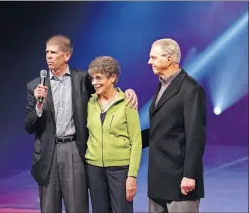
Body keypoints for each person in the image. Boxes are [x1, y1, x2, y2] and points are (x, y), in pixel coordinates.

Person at [24, 35, 138, 213]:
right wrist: (39, 104)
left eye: (53, 52)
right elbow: (28, 126)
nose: (48, 56)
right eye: (46, 52)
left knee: (77, 207)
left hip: (74, 150)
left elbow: (107, 87)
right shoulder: (35, 86)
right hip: (47, 153)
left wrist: (129, 91)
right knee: (48, 208)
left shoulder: (83, 79)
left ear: (67, 56)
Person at [147, 38, 206, 213]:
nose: (149, 61)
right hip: (158, 179)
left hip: (180, 180)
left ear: (169, 59)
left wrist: (189, 174)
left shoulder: (190, 89)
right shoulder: (162, 86)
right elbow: (162, 128)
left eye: (154, 57)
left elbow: (196, 135)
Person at [85, 56, 142, 213]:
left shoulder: (127, 103)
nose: (94, 83)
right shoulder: (89, 103)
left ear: (113, 77)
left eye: (99, 78)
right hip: (94, 168)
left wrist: (132, 176)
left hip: (120, 169)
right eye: (92, 78)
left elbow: (136, 141)